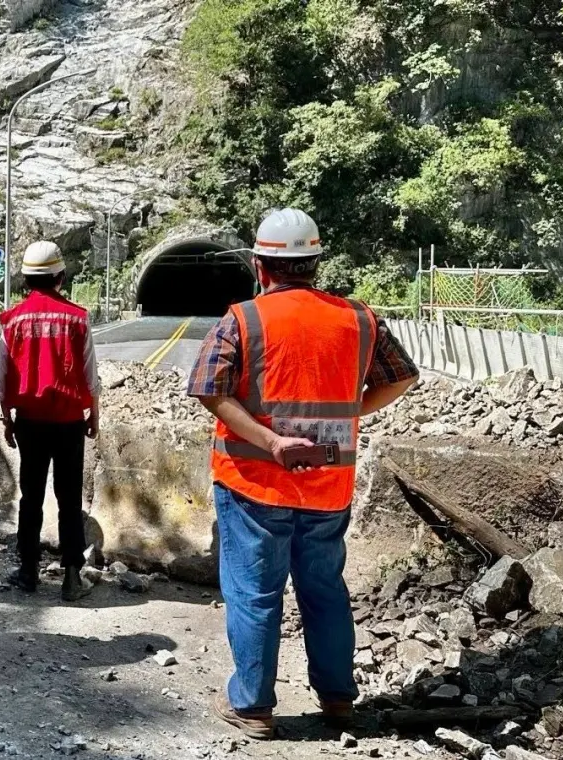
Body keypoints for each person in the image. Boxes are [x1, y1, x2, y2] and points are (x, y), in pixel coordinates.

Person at [187, 208, 419, 739]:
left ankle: (253, 707)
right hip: (328, 485)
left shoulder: (243, 319)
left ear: (259, 264)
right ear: (315, 262)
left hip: (255, 482)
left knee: (254, 592)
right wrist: (350, 410)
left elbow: (208, 388)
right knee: (325, 591)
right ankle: (338, 701)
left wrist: (270, 440)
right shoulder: (358, 318)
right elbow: (402, 377)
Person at [0, 241, 101, 602]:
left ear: (26, 279)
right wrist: (94, 416)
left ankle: (28, 570)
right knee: (69, 497)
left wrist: (7, 420)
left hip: (29, 420)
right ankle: (72, 576)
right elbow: (90, 375)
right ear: (61, 276)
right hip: (69, 420)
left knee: (31, 495)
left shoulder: (12, 319)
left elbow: (4, 375)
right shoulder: (78, 317)